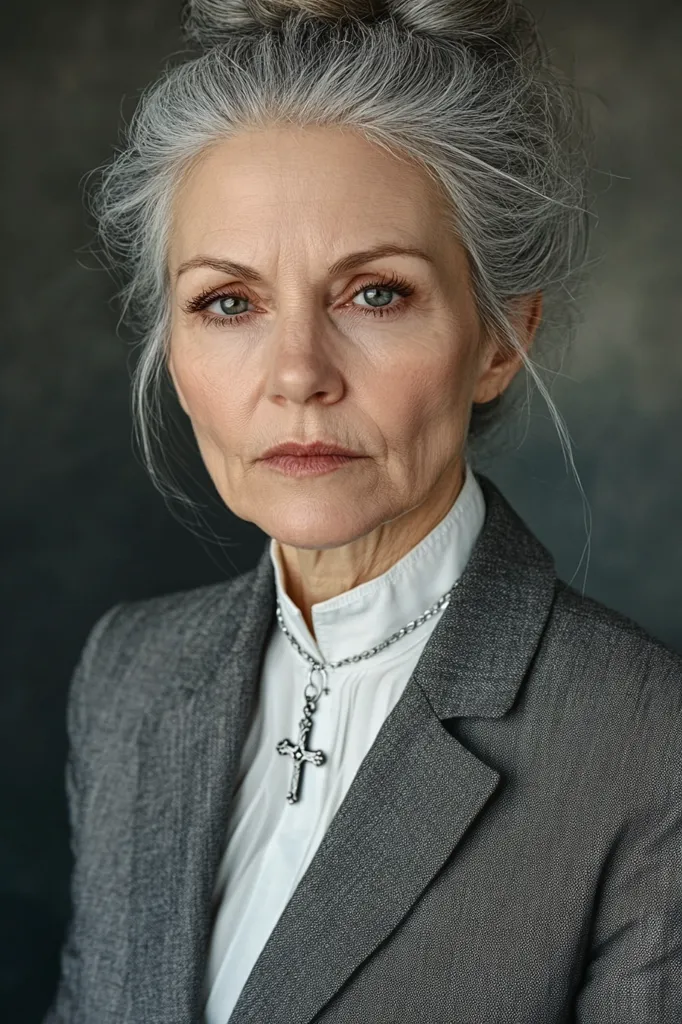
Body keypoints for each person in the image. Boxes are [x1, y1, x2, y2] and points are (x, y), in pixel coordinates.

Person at [44, 1, 682, 1022]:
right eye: (229, 303)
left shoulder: (650, 740)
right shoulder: (130, 675)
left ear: (499, 339)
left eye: (375, 294)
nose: (298, 373)